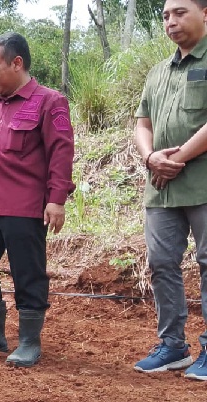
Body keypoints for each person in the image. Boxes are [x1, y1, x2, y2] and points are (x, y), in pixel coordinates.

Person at [0, 33, 75, 366]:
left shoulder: (49, 102)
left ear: (16, 63)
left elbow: (61, 153)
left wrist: (57, 199)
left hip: (22, 204)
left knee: (28, 272)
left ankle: (28, 342)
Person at [132, 0, 207, 378]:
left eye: (180, 12)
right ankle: (173, 346)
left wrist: (176, 158)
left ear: (205, 14)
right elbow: (142, 123)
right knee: (161, 264)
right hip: (160, 187)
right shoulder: (158, 71)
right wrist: (150, 158)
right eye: (165, 16)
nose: (171, 22)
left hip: (203, 183)